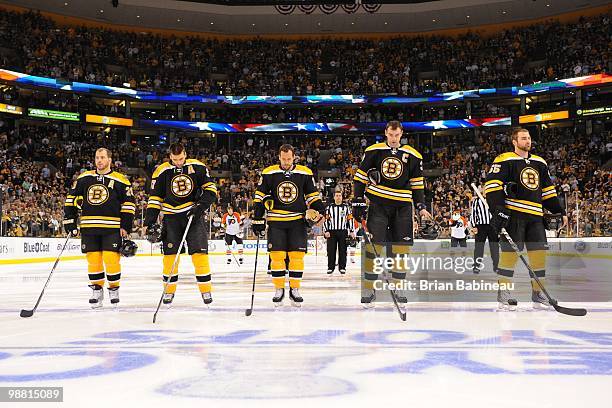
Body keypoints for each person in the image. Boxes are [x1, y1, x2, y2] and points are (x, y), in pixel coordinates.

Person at [484, 127, 568, 310]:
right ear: (514, 141)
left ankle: (538, 293)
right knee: (509, 256)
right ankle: (504, 293)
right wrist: (499, 210)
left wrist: (560, 211)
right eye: (523, 138)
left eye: (529, 138)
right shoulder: (504, 160)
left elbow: (548, 192)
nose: (527, 141)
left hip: (536, 217)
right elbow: (492, 187)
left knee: (539, 256)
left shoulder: (540, 162)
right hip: (514, 215)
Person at [352, 120, 432, 306]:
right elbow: (360, 178)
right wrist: (358, 200)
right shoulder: (373, 151)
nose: (394, 138)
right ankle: (369, 287)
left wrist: (421, 206)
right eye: (391, 135)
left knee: (400, 250)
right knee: (373, 247)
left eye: (397, 135)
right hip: (378, 204)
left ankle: (398, 287)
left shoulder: (413, 155)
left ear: (401, 134)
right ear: (385, 133)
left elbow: (418, 185)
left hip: (403, 207)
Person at [144, 142, 218, 307]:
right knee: (170, 257)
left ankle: (206, 290)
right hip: (171, 218)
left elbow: (211, 190)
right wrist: (149, 222)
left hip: (193, 216)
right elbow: (155, 199)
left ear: (185, 154)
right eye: (175, 159)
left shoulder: (198, 167)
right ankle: (169, 292)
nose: (179, 162)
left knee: (200, 255)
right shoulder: (161, 171)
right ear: (170, 156)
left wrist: (199, 207)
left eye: (181, 158)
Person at [252, 144, 325, 307]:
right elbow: (259, 196)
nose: (286, 162)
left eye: (289, 159)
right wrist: (257, 218)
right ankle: (279, 289)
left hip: (298, 221)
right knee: (276, 256)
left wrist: (321, 209)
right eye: (283, 159)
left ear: (294, 157)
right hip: (276, 221)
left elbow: (312, 195)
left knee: (296, 257)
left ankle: (295, 289)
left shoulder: (304, 173)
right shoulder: (269, 172)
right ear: (279, 157)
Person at [64, 148, 135, 308]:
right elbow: (71, 199)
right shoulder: (84, 178)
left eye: (102, 157)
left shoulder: (121, 180)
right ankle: (97, 290)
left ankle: (113, 289)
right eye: (97, 157)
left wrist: (126, 225)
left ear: (110, 159)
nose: (99, 160)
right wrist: (70, 221)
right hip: (89, 227)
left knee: (111, 260)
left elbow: (129, 204)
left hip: (111, 227)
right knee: (94, 261)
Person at [469, 186, 499, 274]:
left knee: (494, 247)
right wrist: (474, 226)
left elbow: (497, 213)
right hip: (480, 226)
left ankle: (496, 266)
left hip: (492, 226)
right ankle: (476, 266)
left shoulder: (494, 200)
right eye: (484, 189)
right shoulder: (477, 201)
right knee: (479, 247)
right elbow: (473, 214)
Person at [323, 188, 352, 275]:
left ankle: (342, 267)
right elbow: (326, 220)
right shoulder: (329, 208)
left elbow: (349, 220)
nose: (338, 197)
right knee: (331, 250)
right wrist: (326, 230)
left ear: (342, 197)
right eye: (337, 196)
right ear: (334, 197)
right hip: (331, 231)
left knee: (343, 250)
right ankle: (330, 267)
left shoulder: (346, 208)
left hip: (343, 231)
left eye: (340, 196)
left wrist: (351, 231)